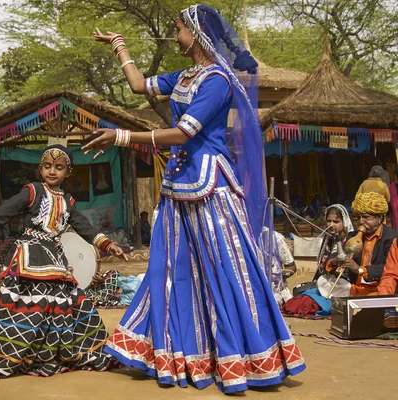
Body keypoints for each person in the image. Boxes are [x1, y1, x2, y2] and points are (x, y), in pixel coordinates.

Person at [86, 4, 304, 393]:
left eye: (179, 29)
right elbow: (139, 86)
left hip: (211, 186)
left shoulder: (218, 80)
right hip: (179, 183)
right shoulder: (186, 75)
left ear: (196, 33)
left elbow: (184, 133)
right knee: (171, 269)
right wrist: (119, 45)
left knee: (225, 267)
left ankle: (243, 354)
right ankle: (178, 351)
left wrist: (121, 137)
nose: (174, 35)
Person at [0, 144, 128, 378]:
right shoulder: (32, 191)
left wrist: (109, 245)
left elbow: (84, 227)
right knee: (27, 305)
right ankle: (18, 352)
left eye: (59, 167)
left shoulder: (68, 201)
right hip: (30, 254)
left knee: (63, 305)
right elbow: (6, 211)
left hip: (56, 258)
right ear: (40, 169)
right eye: (47, 166)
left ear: (68, 172)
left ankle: (51, 352)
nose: (52, 171)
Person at [331, 192, 398, 296]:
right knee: (323, 283)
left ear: (379, 218)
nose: (361, 221)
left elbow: (388, 269)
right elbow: (333, 257)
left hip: (378, 289)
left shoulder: (391, 237)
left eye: (366, 217)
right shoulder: (352, 236)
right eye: (358, 217)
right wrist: (336, 260)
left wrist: (360, 269)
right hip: (356, 289)